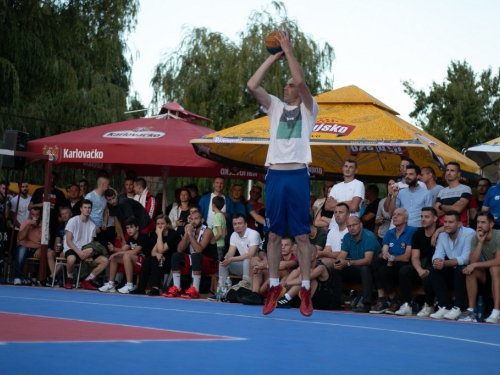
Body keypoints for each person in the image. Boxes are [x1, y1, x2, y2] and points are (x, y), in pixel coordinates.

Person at [247, 29, 319, 317]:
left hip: (298, 175)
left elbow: (301, 80)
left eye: (290, 86)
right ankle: (274, 286)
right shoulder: (275, 106)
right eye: (286, 86)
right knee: (274, 234)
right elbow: (252, 84)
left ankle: (303, 288)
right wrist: (273, 57)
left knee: (302, 237)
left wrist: (288, 51)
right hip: (275, 175)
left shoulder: (310, 109)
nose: (288, 87)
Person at [429, 211, 475, 320]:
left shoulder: (469, 233)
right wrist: (437, 261)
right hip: (452, 268)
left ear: (459, 224)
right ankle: (444, 305)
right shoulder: (442, 235)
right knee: (434, 270)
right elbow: (437, 254)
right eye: (445, 222)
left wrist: (444, 263)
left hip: (470, 269)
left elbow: (465, 259)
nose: (447, 225)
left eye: (450, 222)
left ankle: (458, 307)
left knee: (460, 269)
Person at [370, 208, 417, 314]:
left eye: (399, 215)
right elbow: (384, 252)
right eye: (394, 214)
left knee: (404, 269)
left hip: (405, 265)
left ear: (406, 219)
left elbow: (406, 257)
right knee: (377, 264)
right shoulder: (389, 233)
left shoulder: (412, 231)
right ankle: (389, 300)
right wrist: (385, 255)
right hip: (392, 263)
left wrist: (391, 258)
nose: (395, 217)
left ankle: (406, 304)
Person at [163, 210, 218, 299]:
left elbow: (199, 249)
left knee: (196, 255)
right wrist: (186, 234)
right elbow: (179, 249)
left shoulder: (207, 231)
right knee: (176, 255)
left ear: (202, 220)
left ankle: (195, 290)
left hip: (210, 263)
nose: (193, 221)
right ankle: (177, 288)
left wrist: (190, 235)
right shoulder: (191, 231)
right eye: (191, 219)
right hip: (196, 261)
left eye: (196, 219)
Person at [395, 207, 439, 316]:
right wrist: (419, 270)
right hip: (421, 266)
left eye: (427, 217)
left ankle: (429, 305)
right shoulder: (417, 234)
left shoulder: (441, 232)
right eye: (422, 217)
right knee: (405, 270)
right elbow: (414, 257)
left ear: (435, 218)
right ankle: (406, 305)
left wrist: (439, 230)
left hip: (436, 267)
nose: (423, 219)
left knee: (431, 275)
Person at [332, 216, 381, 313]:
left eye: (354, 225)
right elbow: (342, 255)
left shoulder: (369, 236)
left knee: (365, 268)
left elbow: (368, 260)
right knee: (336, 269)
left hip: (373, 272)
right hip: (356, 268)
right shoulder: (347, 237)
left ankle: (366, 304)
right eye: (349, 226)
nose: (351, 228)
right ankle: (335, 302)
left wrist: (348, 262)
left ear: (361, 225)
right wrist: (338, 262)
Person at [458, 212, 500, 322]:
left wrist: (475, 264)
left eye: (483, 222)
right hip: (489, 273)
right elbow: (472, 260)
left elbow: (498, 261)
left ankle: (496, 312)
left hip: (496, 270)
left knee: (494, 268)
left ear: (491, 224)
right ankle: (471, 311)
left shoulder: (498, 236)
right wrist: (480, 242)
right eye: (478, 222)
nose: (479, 225)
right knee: (470, 271)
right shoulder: (475, 238)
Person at [99, 217, 153, 294]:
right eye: (127, 228)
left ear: (137, 228)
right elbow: (122, 250)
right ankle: (111, 284)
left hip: (145, 262)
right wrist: (114, 249)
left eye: (131, 227)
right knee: (115, 258)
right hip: (136, 261)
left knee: (126, 256)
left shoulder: (143, 237)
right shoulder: (131, 238)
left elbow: (135, 251)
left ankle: (130, 285)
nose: (129, 230)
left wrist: (118, 253)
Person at [63, 199, 108, 290]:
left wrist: (89, 253)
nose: (87, 209)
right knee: (71, 259)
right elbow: (68, 241)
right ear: (81, 209)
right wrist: (79, 252)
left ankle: (86, 281)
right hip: (72, 248)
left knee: (105, 261)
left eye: (89, 208)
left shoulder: (92, 225)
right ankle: (70, 279)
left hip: (85, 250)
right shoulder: (73, 221)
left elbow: (91, 243)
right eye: (85, 207)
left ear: (91, 209)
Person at [131, 215, 181, 296]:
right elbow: (153, 252)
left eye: (162, 223)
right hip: (161, 259)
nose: (160, 226)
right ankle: (141, 287)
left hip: (172, 261)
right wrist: (158, 254)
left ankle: (155, 288)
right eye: (158, 224)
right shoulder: (157, 234)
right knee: (148, 259)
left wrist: (160, 235)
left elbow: (161, 249)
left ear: (167, 224)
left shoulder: (173, 234)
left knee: (154, 259)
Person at [242, 237, 297, 305]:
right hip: (274, 282)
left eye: (286, 245)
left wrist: (265, 266)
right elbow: (265, 262)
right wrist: (259, 266)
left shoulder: (296, 257)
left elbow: (284, 265)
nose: (283, 247)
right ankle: (255, 294)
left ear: (292, 247)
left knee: (277, 271)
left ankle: (258, 295)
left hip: (287, 283)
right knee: (260, 269)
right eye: (281, 245)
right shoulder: (278, 256)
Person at [29, 171, 66, 249]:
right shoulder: (38, 191)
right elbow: (29, 207)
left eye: (54, 179)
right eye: (50, 178)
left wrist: (61, 218)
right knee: (38, 243)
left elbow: (64, 209)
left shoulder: (60, 193)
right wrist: (41, 205)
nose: (52, 180)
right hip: (38, 224)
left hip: (54, 224)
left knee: (51, 246)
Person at [219, 214, 261, 280]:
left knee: (247, 261)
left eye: (240, 223)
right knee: (223, 264)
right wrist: (227, 257)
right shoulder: (234, 235)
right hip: (243, 265)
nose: (237, 226)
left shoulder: (253, 234)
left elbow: (250, 255)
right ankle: (223, 288)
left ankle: (246, 285)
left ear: (246, 224)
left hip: (256, 265)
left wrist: (231, 259)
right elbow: (230, 252)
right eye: (235, 224)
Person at [325, 160, 365, 226]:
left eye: (351, 167)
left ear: (356, 171)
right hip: (334, 225)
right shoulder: (335, 187)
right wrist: (350, 203)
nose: (347, 169)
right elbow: (327, 207)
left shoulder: (358, 184)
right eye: (346, 166)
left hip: (351, 226)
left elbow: (354, 207)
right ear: (343, 168)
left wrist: (335, 204)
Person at [41, 206, 73, 287]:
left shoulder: (75, 227)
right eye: (62, 214)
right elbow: (56, 243)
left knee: (63, 253)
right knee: (50, 253)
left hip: (71, 251)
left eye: (66, 213)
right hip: (62, 250)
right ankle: (54, 278)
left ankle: (52, 277)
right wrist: (57, 247)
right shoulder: (60, 228)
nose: (64, 215)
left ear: (71, 214)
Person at [434, 162, 472, 227]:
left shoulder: (465, 189)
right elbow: (436, 212)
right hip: (442, 226)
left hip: (459, 227)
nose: (449, 173)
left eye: (452, 170)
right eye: (447, 170)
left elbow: (459, 209)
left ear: (458, 174)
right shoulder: (442, 191)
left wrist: (442, 207)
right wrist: (454, 206)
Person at [13, 207, 42, 285]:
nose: (35, 216)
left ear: (40, 215)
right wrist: (28, 226)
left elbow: (47, 241)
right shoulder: (25, 223)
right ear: (30, 215)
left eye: (37, 215)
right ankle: (17, 277)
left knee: (49, 252)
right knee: (21, 250)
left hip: (38, 248)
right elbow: (20, 238)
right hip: (26, 248)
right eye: (33, 214)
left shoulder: (44, 224)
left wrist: (40, 249)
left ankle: (41, 279)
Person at [315, 203, 349, 268]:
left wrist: (322, 253)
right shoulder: (332, 231)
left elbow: (345, 254)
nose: (337, 215)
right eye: (335, 212)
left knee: (324, 262)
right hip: (331, 259)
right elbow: (327, 250)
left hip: (345, 261)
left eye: (341, 212)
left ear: (348, 215)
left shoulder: (350, 231)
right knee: (313, 262)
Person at [85, 177, 110, 247]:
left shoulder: (105, 197)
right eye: (108, 185)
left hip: (101, 227)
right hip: (90, 227)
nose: (109, 187)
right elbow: (85, 213)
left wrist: (105, 223)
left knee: (103, 247)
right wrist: (94, 226)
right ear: (102, 185)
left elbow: (105, 211)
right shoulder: (90, 196)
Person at [9, 181, 31, 252]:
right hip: (16, 229)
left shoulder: (31, 199)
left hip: (28, 229)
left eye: (26, 186)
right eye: (22, 187)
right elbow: (12, 217)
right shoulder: (14, 200)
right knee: (14, 250)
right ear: (19, 188)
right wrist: (21, 226)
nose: (25, 188)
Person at [375, 179, 395, 244]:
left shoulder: (400, 200)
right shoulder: (381, 202)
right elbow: (377, 219)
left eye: (393, 184)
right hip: (383, 234)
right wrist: (378, 221)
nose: (391, 186)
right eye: (389, 184)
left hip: (396, 235)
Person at [211, 196, 227, 261]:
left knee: (216, 266)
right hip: (222, 244)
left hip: (217, 245)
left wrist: (212, 241)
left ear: (213, 205)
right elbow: (225, 233)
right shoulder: (223, 216)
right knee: (220, 264)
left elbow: (220, 233)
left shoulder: (216, 216)